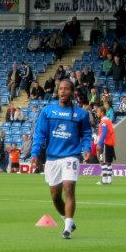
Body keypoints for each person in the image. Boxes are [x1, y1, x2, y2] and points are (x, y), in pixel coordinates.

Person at [30, 80, 92, 239]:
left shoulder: (81, 114)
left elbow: (86, 134)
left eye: (66, 89)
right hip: (52, 158)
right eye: (61, 89)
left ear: (72, 92)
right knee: (55, 196)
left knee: (69, 188)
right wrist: (35, 153)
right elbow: (40, 134)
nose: (63, 91)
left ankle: (67, 228)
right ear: (57, 92)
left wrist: (87, 148)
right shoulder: (48, 111)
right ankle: (67, 219)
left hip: (71, 156)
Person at [94, 104, 116, 186]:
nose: (97, 113)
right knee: (108, 162)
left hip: (105, 143)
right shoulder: (108, 120)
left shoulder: (104, 121)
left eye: (98, 112)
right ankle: (109, 179)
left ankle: (104, 179)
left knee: (102, 161)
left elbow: (104, 133)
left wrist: (99, 143)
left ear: (102, 112)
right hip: (109, 143)